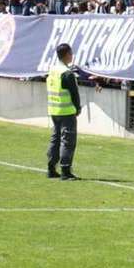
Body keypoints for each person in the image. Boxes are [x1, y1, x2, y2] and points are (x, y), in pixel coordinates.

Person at [46, 43, 81, 180]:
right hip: (66, 111)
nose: (72, 56)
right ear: (66, 54)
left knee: (55, 139)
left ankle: (51, 168)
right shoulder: (67, 73)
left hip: (54, 110)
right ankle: (66, 171)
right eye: (71, 53)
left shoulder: (53, 70)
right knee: (67, 141)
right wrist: (77, 108)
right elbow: (74, 94)